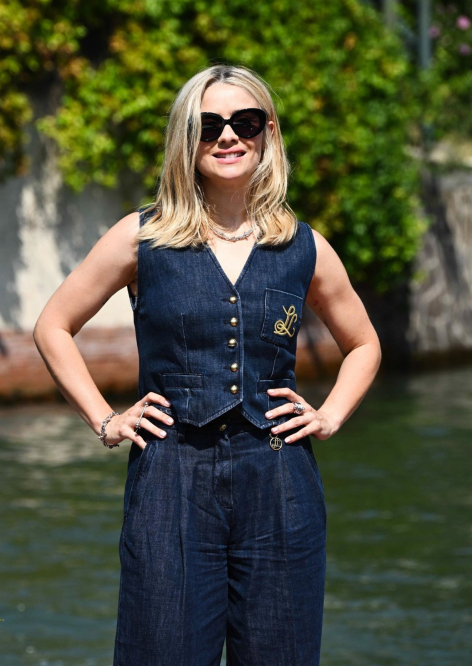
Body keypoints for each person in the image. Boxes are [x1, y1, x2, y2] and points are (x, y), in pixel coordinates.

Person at [33, 64, 382, 665]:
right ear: (185, 138)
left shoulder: (304, 246)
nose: (228, 136)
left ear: (267, 132)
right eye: (209, 124)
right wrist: (105, 420)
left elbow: (365, 343)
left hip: (280, 483)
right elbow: (53, 325)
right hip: (170, 479)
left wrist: (329, 416)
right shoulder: (139, 237)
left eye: (244, 122)